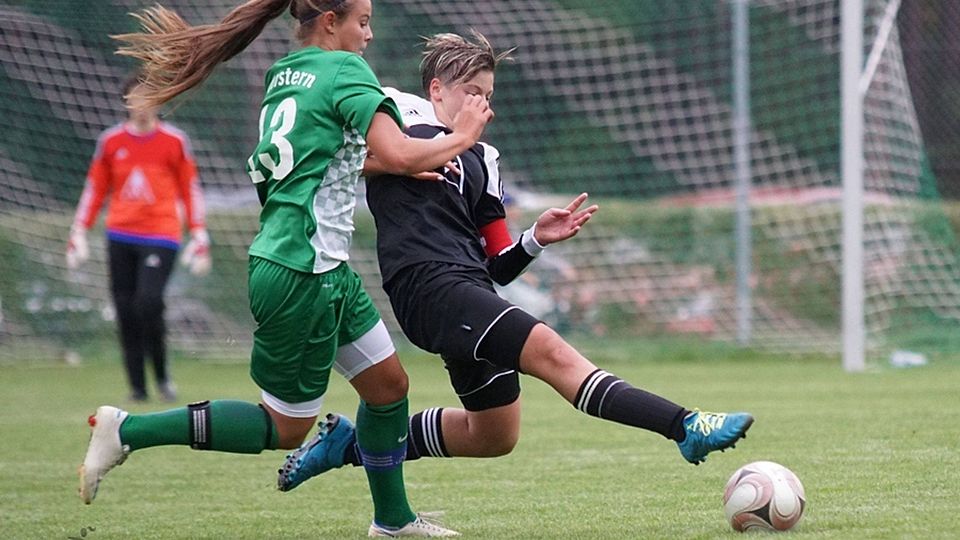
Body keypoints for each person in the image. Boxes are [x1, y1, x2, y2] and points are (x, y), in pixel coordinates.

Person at [276, 32, 755, 508]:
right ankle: (685, 425)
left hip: (471, 288)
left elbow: (498, 265)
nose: (482, 105)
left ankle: (350, 446)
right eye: (471, 92)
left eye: (488, 96)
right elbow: (330, 158)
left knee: (493, 434)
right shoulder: (396, 111)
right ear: (437, 89)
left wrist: (535, 239)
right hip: (426, 286)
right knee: (553, 353)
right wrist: (395, 164)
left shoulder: (484, 158)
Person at [78, 1, 492, 537]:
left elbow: (333, 155)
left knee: (388, 388)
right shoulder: (345, 69)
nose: (369, 34)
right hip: (304, 270)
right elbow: (402, 152)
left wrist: (404, 162)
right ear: (329, 21)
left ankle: (393, 522)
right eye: (361, 21)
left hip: (319, 264)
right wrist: (461, 136)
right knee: (285, 426)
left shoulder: (285, 72)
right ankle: (127, 427)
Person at [67, 75, 211, 403]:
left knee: (149, 302)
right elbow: (95, 189)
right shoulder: (111, 142)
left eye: (149, 98)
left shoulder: (174, 142)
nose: (142, 106)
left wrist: (199, 233)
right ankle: (137, 387)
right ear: (125, 103)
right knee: (125, 310)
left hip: (161, 235)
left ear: (159, 102)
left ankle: (161, 377)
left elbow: (190, 188)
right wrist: (78, 231)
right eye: (135, 99)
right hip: (120, 235)